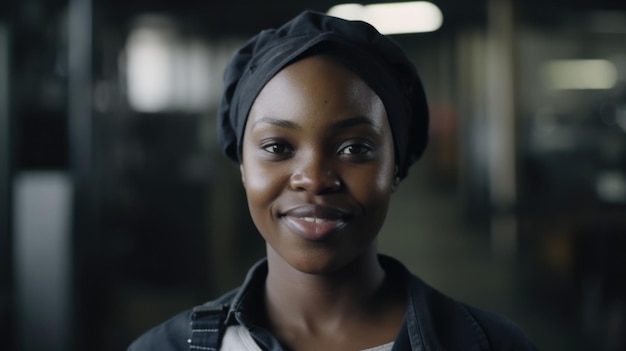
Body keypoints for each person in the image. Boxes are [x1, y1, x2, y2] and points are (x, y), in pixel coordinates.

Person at [128, 10, 538, 351]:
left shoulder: (491, 345)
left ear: (395, 167)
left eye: (355, 148)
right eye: (277, 147)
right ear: (242, 165)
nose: (314, 179)